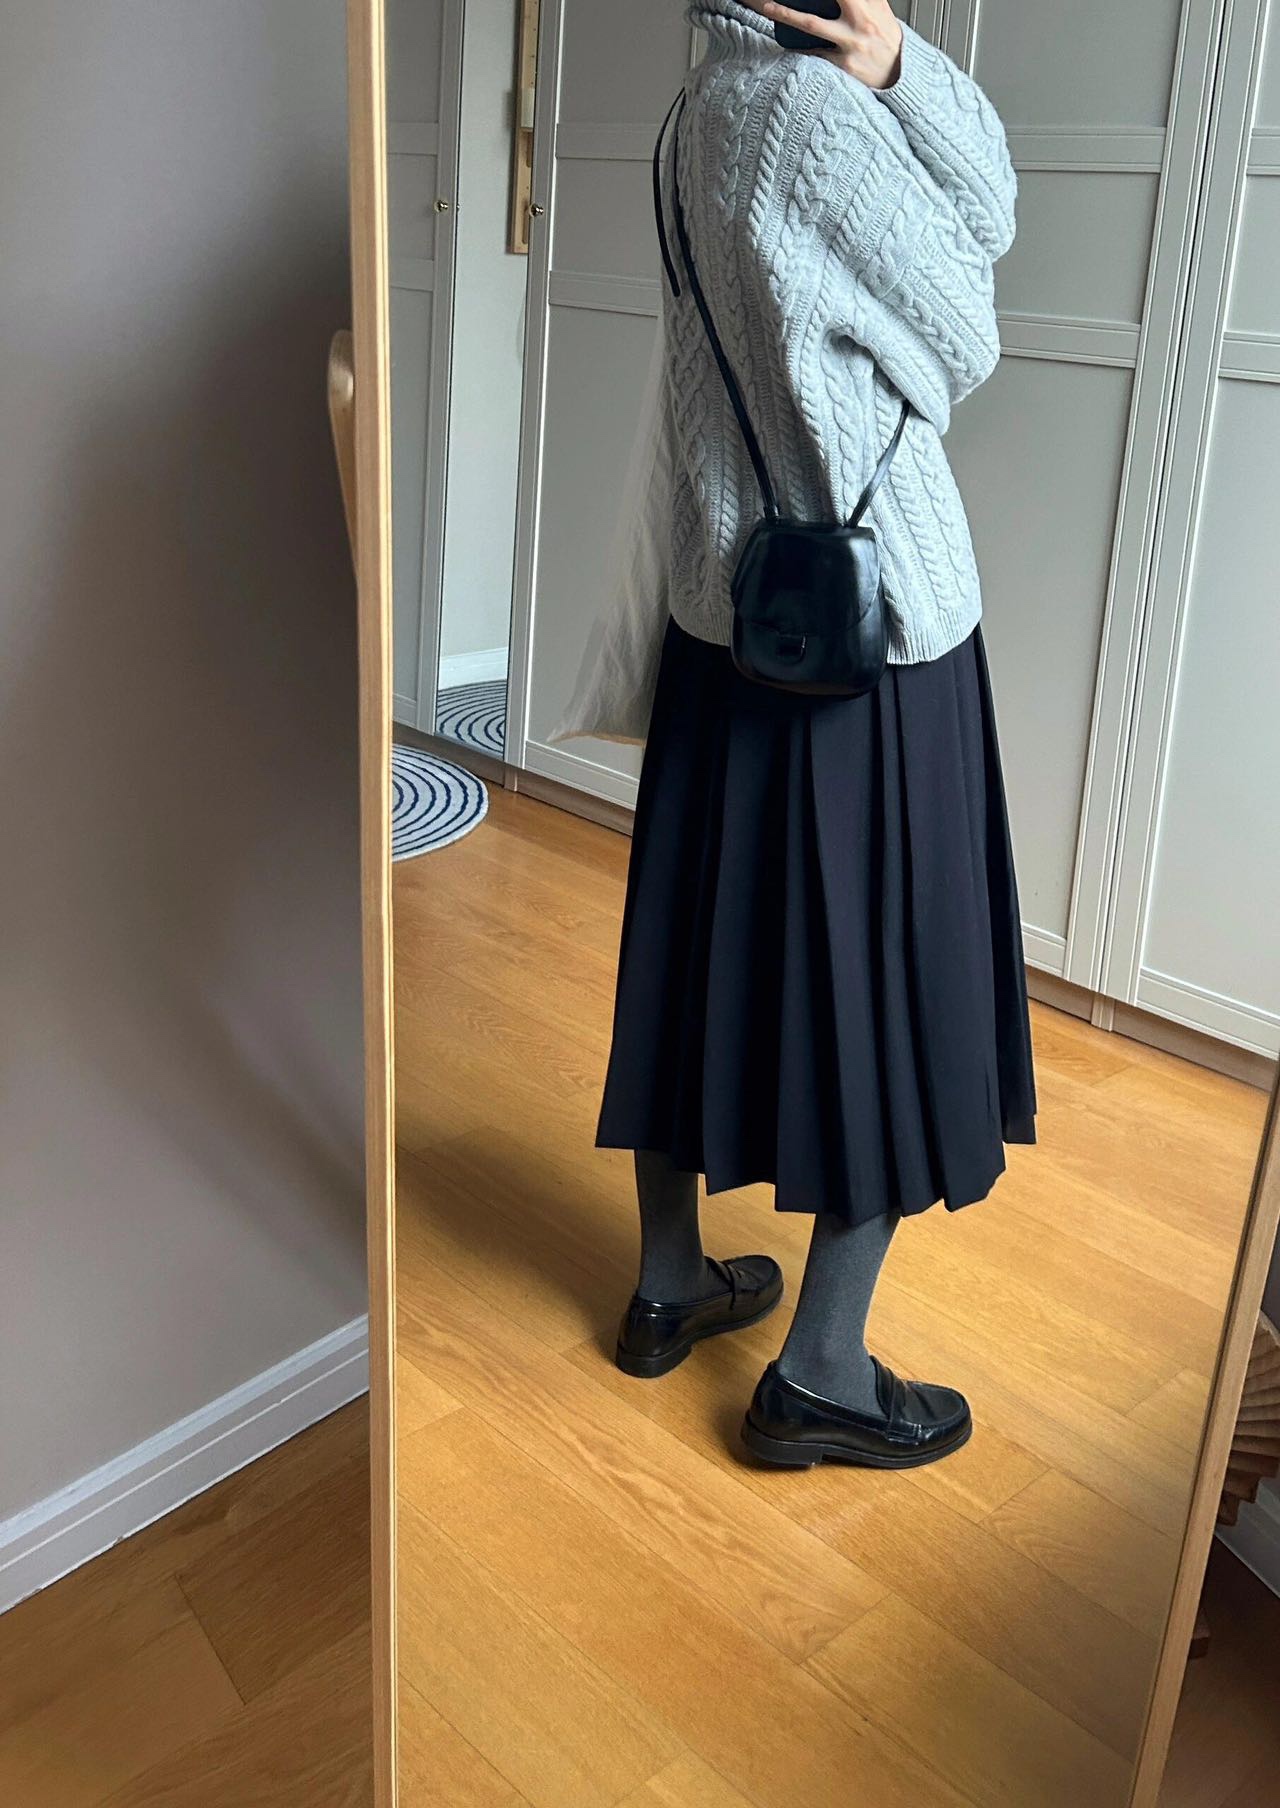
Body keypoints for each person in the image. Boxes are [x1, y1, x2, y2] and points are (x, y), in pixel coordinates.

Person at [562, 0, 1036, 1469]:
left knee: (698, 951)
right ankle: (821, 1370)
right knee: (892, 979)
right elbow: (969, 327)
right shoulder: (814, 121)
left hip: (725, 608)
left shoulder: (686, 116)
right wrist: (892, 81)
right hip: (869, 626)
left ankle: (669, 1283)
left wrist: (897, 66)